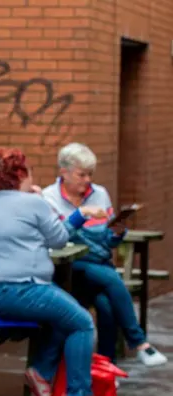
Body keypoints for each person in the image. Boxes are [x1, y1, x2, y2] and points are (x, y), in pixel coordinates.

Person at [0, 147, 118, 396]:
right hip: (22, 290)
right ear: (20, 175)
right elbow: (59, 238)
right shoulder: (33, 202)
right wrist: (79, 214)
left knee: (62, 316)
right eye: (28, 171)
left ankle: (40, 373)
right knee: (83, 322)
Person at [42, 142, 167, 367]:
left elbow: (106, 241)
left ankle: (106, 365)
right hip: (70, 270)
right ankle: (139, 343)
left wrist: (117, 234)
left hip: (99, 263)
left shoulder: (100, 194)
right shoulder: (48, 198)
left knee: (106, 305)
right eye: (82, 174)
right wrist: (80, 217)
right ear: (64, 172)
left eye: (90, 174)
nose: (87, 180)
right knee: (110, 278)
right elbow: (58, 239)